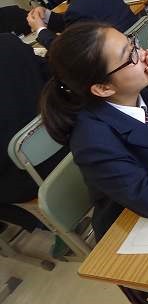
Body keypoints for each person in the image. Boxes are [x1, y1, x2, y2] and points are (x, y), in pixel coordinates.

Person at [40, 22, 148, 240]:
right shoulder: (92, 141)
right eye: (131, 55)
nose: (144, 53)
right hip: (130, 227)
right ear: (103, 88)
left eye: (134, 44)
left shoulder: (137, 89)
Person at [0, 33, 66, 232]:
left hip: (27, 178)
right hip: (66, 141)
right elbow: (53, 76)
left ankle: (46, 225)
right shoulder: (8, 42)